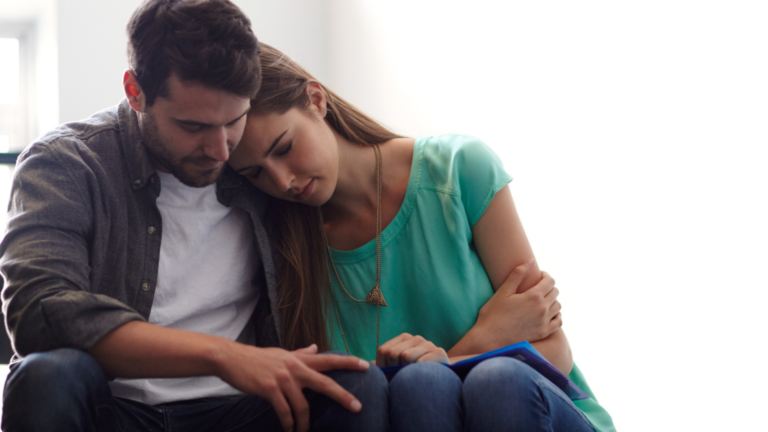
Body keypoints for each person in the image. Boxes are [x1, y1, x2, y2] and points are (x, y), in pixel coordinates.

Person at [0, 2, 388, 432]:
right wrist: (222, 355)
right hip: (116, 407)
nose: (221, 151)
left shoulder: (262, 170)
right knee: (47, 377)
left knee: (356, 386)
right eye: (193, 127)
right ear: (135, 92)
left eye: (234, 121)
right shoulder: (67, 163)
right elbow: (38, 309)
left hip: (243, 412)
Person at [228, 44, 617, 432]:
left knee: (495, 382)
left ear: (316, 100)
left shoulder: (458, 169)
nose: (282, 181)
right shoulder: (288, 255)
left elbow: (556, 351)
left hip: (537, 410)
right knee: (420, 387)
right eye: (255, 174)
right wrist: (473, 345)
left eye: (284, 148)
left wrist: (442, 365)